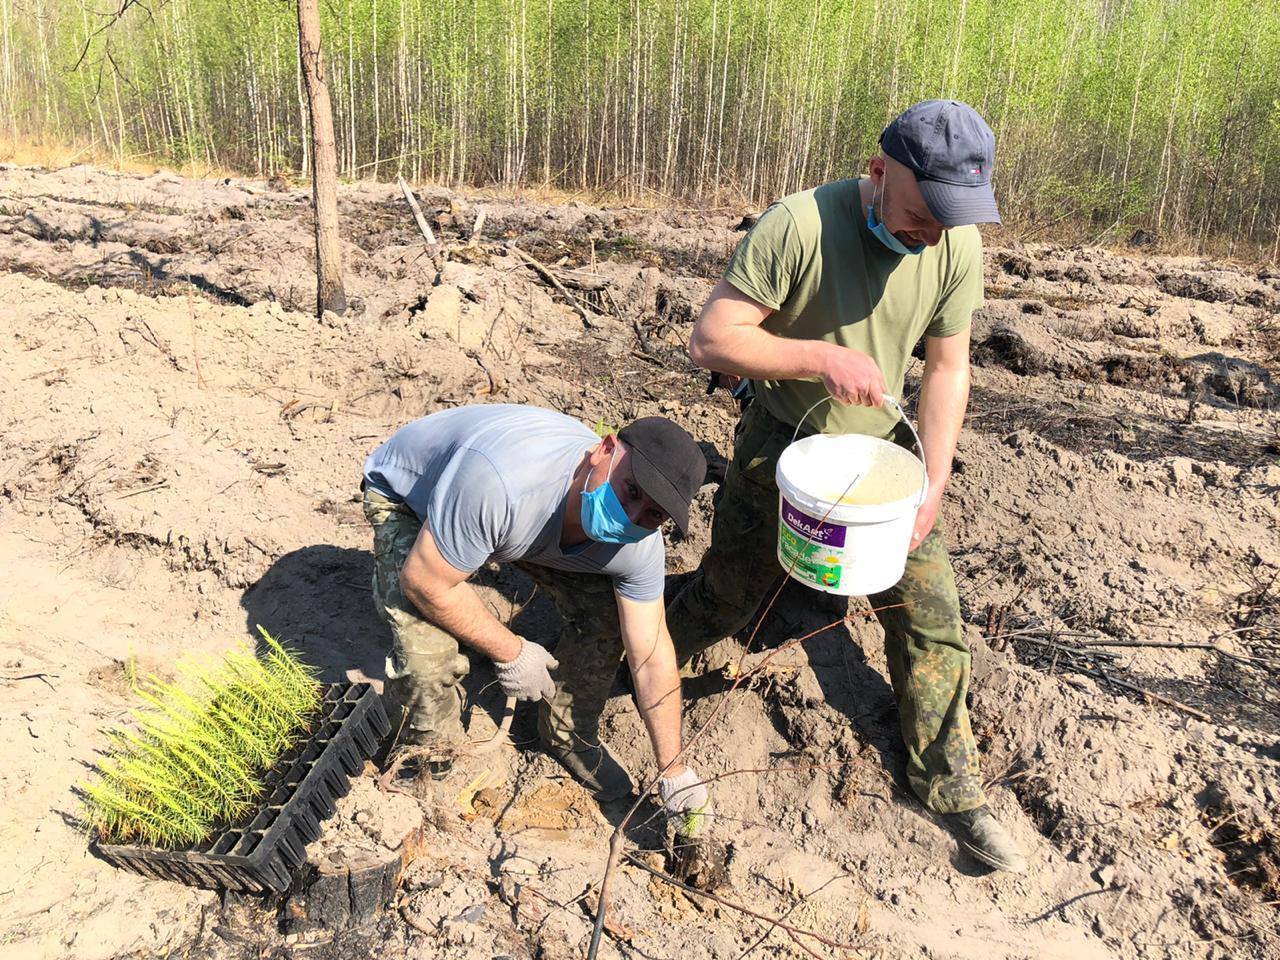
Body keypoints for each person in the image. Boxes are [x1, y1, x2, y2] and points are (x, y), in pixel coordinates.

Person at [666, 100, 1026, 871]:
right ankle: (624, 658)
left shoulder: (954, 246)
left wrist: (930, 483)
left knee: (930, 616)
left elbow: (949, 367)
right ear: (878, 171)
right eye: (921, 212)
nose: (932, 232)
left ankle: (948, 783)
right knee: (727, 598)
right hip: (782, 443)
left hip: (884, 457)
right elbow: (712, 339)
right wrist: (820, 359)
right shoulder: (798, 227)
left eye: (952, 217)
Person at [361, 403, 712, 833]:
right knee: (427, 655)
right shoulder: (502, 482)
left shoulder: (638, 544)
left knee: (609, 617)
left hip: (519, 528)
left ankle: (566, 731)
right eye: (631, 491)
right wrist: (511, 651)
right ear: (605, 450)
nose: (630, 518)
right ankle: (428, 764)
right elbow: (424, 582)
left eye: (652, 514)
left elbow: (651, 652)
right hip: (412, 499)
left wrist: (673, 771)